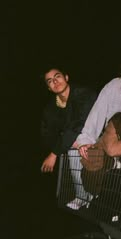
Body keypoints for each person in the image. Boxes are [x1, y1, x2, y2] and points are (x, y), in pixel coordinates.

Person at [40, 65, 97, 209]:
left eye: (57, 76)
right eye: (50, 81)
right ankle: (83, 195)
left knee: (74, 144)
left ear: (66, 77)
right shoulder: (51, 108)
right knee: (73, 146)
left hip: (98, 134)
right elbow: (47, 133)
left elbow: (79, 124)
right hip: (74, 141)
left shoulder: (84, 94)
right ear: (49, 88)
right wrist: (57, 146)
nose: (55, 81)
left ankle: (85, 194)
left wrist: (54, 153)